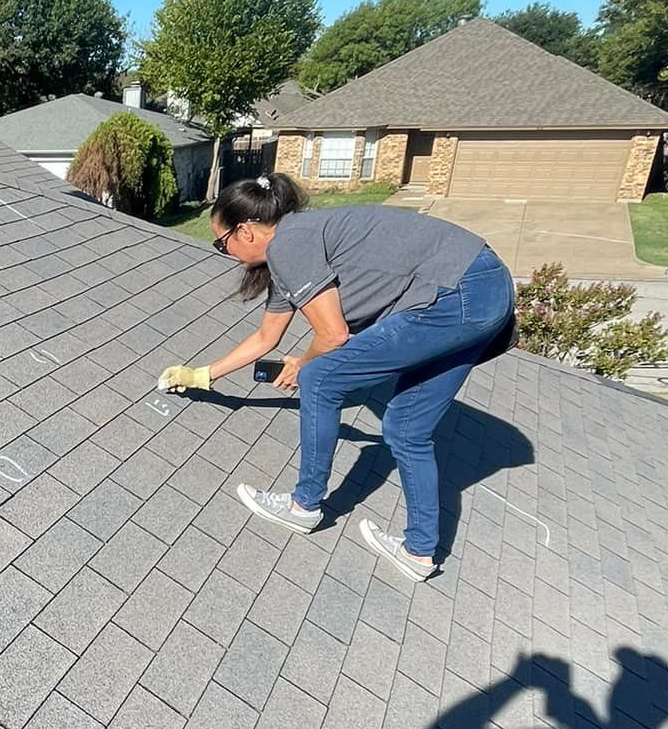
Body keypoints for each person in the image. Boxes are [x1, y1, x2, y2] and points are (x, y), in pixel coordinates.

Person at [158, 174, 514, 579]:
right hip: (486, 292)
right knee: (405, 428)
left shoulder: (291, 244)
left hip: (457, 291)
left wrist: (305, 365)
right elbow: (266, 338)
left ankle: (303, 506)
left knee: (321, 378)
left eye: (222, 243)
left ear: (247, 231)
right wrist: (203, 374)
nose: (226, 252)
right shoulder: (291, 250)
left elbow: (332, 335)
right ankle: (419, 552)